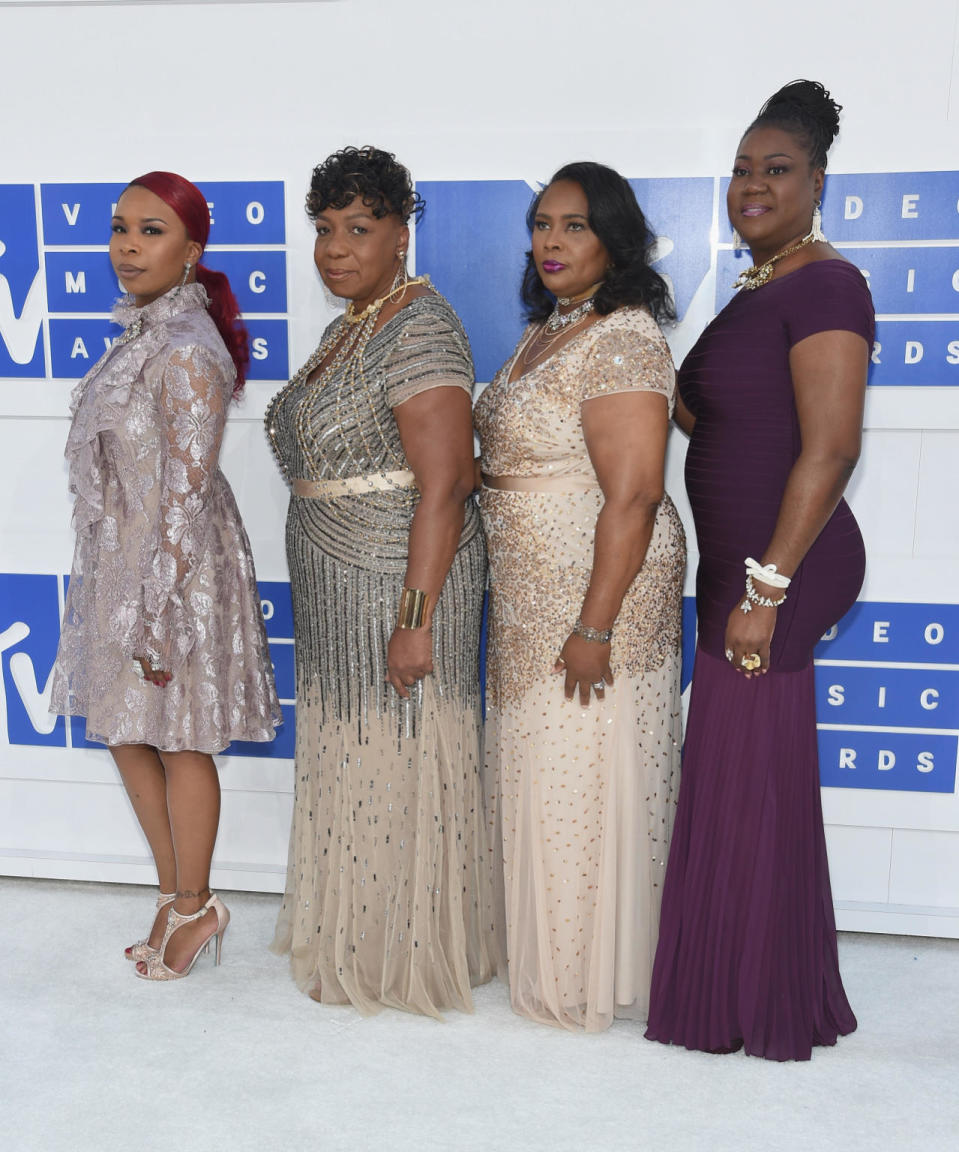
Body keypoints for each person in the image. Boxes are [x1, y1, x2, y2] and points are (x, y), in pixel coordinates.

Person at [645, 81, 874, 1060]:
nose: (751, 184)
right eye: (740, 168)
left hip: (782, 568)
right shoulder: (756, 284)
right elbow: (707, 410)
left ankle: (752, 998)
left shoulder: (826, 285)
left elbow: (827, 448)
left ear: (816, 181)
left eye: (774, 169)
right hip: (734, 564)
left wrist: (765, 586)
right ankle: (738, 981)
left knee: (751, 774)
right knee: (744, 774)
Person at [266, 146, 499, 1017]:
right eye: (324, 230)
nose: (335, 247)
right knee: (353, 752)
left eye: (358, 229)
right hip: (334, 585)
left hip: (397, 582)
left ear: (401, 233)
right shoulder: (350, 327)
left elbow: (445, 485)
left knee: (395, 753)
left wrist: (415, 619)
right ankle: (357, 931)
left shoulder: (419, 326)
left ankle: (404, 952)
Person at [50, 171, 282, 981]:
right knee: (124, 730)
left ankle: (195, 905)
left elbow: (185, 492)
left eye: (150, 231)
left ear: (192, 249)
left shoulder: (186, 347)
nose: (126, 246)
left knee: (181, 736)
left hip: (177, 570)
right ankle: (175, 893)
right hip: (123, 563)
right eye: (119, 229)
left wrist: (156, 606)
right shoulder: (142, 335)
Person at [474, 162, 686, 1032]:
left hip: (596, 592)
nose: (552, 242)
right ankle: (550, 955)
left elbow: (633, 495)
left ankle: (590, 974)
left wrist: (594, 623)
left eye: (574, 225)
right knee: (544, 772)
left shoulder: (624, 336)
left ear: (614, 238)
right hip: (527, 591)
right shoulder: (546, 332)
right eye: (541, 223)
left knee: (582, 775)